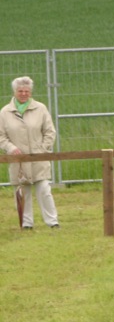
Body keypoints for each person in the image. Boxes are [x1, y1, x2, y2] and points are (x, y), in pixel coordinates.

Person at [0, 76, 60, 229]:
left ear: (31, 92)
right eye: (20, 91)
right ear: (14, 92)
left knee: (44, 189)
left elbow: (49, 131)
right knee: (22, 192)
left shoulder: (40, 108)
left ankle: (52, 222)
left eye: (26, 91)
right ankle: (27, 224)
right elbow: (1, 136)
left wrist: (43, 149)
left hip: (38, 158)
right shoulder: (5, 112)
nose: (23, 94)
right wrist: (11, 148)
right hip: (17, 160)